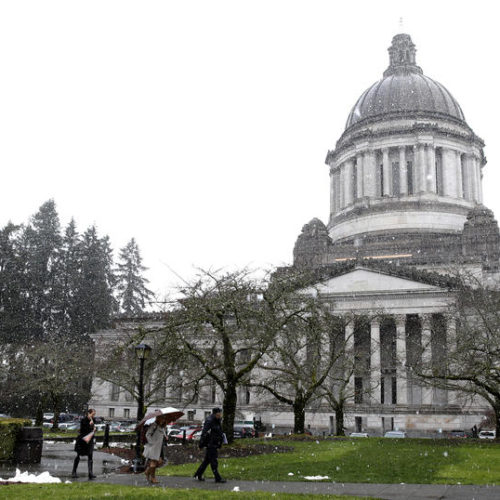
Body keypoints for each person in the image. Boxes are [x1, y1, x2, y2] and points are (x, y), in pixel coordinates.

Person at [194, 407, 226, 483]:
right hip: (211, 444)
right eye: (219, 413)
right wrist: (201, 445)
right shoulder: (210, 421)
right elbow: (204, 433)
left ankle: (198, 474)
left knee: (207, 461)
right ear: (216, 413)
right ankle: (217, 477)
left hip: (214, 443)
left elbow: (219, 432)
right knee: (213, 461)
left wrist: (220, 441)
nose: (220, 415)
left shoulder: (217, 420)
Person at [72, 408, 97, 480]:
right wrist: (90, 426)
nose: (93, 416)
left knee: (90, 456)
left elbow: (93, 430)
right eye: (92, 414)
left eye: (94, 415)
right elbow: (83, 430)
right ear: (89, 413)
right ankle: (74, 472)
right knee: (78, 455)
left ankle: (90, 473)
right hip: (82, 441)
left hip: (89, 441)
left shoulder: (93, 420)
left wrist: (93, 428)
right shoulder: (83, 420)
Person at [143, 415, 168, 484]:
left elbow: (162, 436)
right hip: (153, 448)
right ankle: (153, 478)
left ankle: (147, 472)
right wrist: (152, 443)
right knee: (153, 463)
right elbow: (147, 434)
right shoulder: (154, 425)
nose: (163, 420)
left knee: (159, 462)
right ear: (158, 418)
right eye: (162, 418)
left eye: (164, 418)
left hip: (159, 448)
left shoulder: (162, 427)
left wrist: (165, 437)